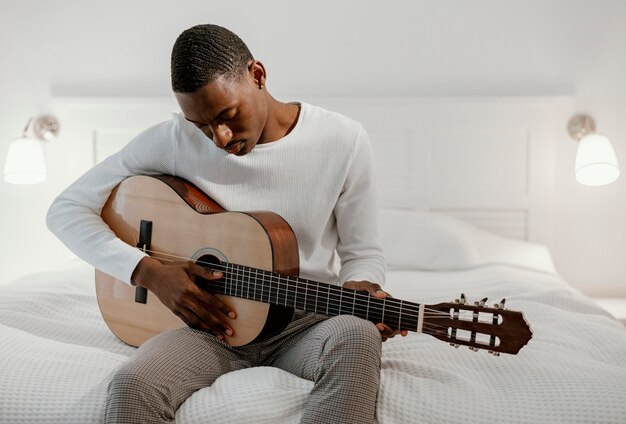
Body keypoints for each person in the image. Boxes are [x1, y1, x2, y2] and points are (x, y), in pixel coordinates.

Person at [47, 23, 405, 424]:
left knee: (358, 336)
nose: (219, 137)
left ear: (257, 76)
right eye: (201, 126)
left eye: (228, 115)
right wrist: (149, 273)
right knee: (130, 385)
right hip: (207, 325)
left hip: (304, 321)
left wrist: (363, 284)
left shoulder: (343, 140)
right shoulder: (170, 141)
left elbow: (363, 252)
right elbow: (66, 209)